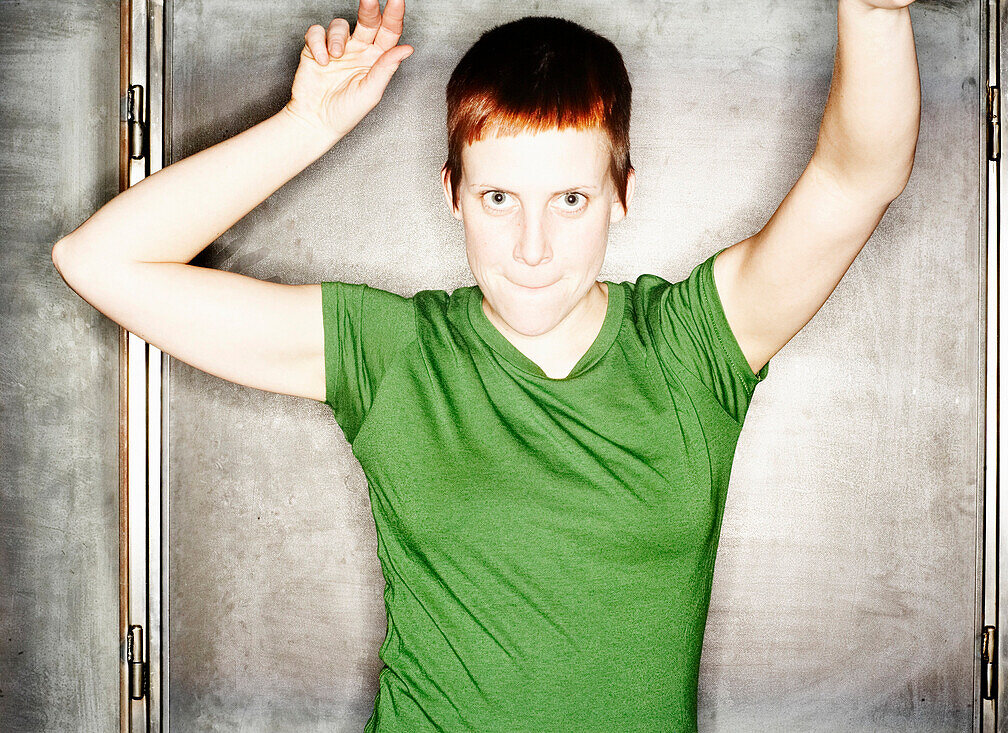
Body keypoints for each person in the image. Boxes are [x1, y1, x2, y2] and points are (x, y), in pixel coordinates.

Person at [51, 0, 920, 729]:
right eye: (498, 198)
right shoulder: (393, 353)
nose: (532, 247)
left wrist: (875, 11)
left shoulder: (695, 346)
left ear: (621, 193)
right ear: (452, 193)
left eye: (569, 200)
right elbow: (100, 262)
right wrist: (306, 125)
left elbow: (856, 179)